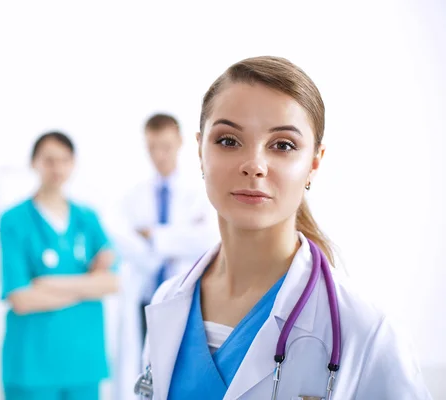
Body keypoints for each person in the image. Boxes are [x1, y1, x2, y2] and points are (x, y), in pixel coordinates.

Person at [139, 57, 432, 399]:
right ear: (201, 152)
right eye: (229, 141)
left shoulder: (365, 331)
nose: (254, 165)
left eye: (283, 145)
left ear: (314, 163)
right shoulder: (168, 301)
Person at [0, 131, 118, 400]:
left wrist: (49, 283)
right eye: (49, 160)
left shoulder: (87, 218)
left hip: (84, 362)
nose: (58, 168)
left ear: (73, 164)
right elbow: (21, 299)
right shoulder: (13, 220)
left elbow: (112, 282)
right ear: (34, 163)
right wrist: (87, 286)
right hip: (32, 364)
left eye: (64, 160)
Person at [109, 114, 219, 399]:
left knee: (183, 371)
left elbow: (207, 238)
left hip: (186, 296)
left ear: (181, 142)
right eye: (153, 147)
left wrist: (154, 236)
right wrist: (177, 237)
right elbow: (124, 242)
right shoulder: (132, 197)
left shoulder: (201, 194)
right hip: (145, 298)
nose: (159, 155)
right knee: (145, 372)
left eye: (166, 146)